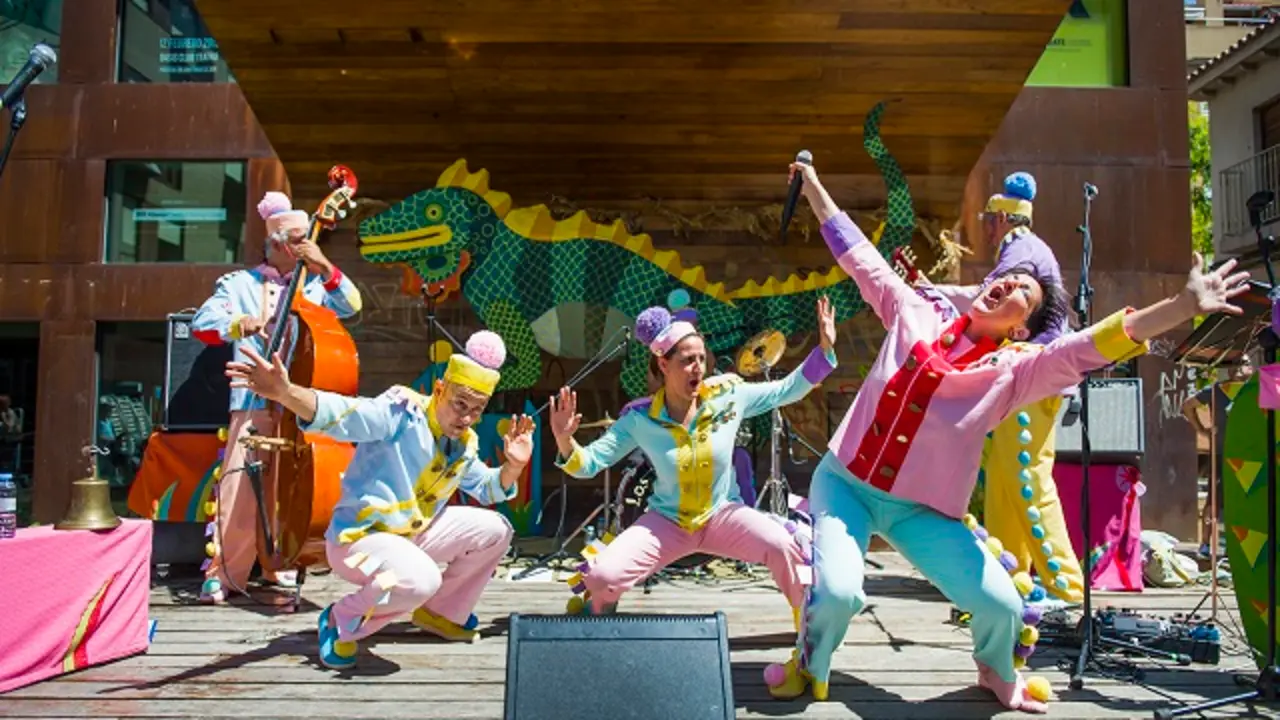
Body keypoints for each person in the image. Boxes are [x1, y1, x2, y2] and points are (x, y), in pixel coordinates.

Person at [766, 160, 1249, 713]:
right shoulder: (914, 309)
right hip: (846, 484)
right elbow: (858, 254)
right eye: (1007, 277)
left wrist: (1183, 306)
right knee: (839, 593)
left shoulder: (1017, 369)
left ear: (1021, 327)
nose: (1009, 283)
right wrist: (814, 186)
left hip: (920, 511)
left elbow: (1090, 346)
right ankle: (810, 663)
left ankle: (996, 672)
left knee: (1003, 607)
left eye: (1023, 290)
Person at [225, 331, 534, 670]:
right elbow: (342, 413)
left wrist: (514, 466)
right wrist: (286, 392)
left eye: (477, 410)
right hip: (359, 541)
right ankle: (341, 618)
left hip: (410, 538)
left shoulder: (463, 443)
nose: (466, 418)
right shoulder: (400, 413)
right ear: (439, 389)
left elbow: (489, 489)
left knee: (495, 530)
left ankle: (441, 613)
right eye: (460, 405)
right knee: (420, 581)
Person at [548, 297, 838, 625]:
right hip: (667, 522)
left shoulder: (730, 395)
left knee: (785, 545)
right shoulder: (640, 418)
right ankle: (600, 615)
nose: (698, 367)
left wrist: (824, 351)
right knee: (602, 577)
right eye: (687, 360)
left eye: (701, 358)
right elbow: (588, 464)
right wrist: (564, 439)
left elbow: (787, 389)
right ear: (663, 365)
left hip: (724, 515)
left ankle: (810, 627)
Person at [191, 191, 363, 604]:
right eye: (299, 240)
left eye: (309, 239)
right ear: (278, 244)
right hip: (252, 400)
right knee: (238, 487)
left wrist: (326, 267)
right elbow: (202, 322)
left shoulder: (316, 287)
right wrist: (239, 323)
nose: (306, 245)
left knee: (288, 489)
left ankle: (280, 564)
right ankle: (225, 572)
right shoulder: (240, 284)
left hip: (298, 401)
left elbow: (353, 305)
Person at [924, 172, 1084, 605]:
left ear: (1001, 218)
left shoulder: (1021, 251)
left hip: (1033, 376)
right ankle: (1009, 583)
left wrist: (930, 292)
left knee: (1028, 479)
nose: (985, 227)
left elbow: (987, 302)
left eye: (987, 219)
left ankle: (1067, 589)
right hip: (1027, 376)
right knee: (1003, 480)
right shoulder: (1025, 250)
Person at [1181, 356, 1253, 557]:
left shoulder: (1255, 390)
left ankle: (1237, 546)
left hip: (1250, 455)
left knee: (1245, 500)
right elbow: (1187, 405)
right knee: (1214, 499)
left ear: (1251, 367)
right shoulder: (1216, 390)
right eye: (1232, 364)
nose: (1237, 368)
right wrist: (1201, 429)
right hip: (1222, 453)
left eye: (1243, 363)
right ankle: (1205, 544)